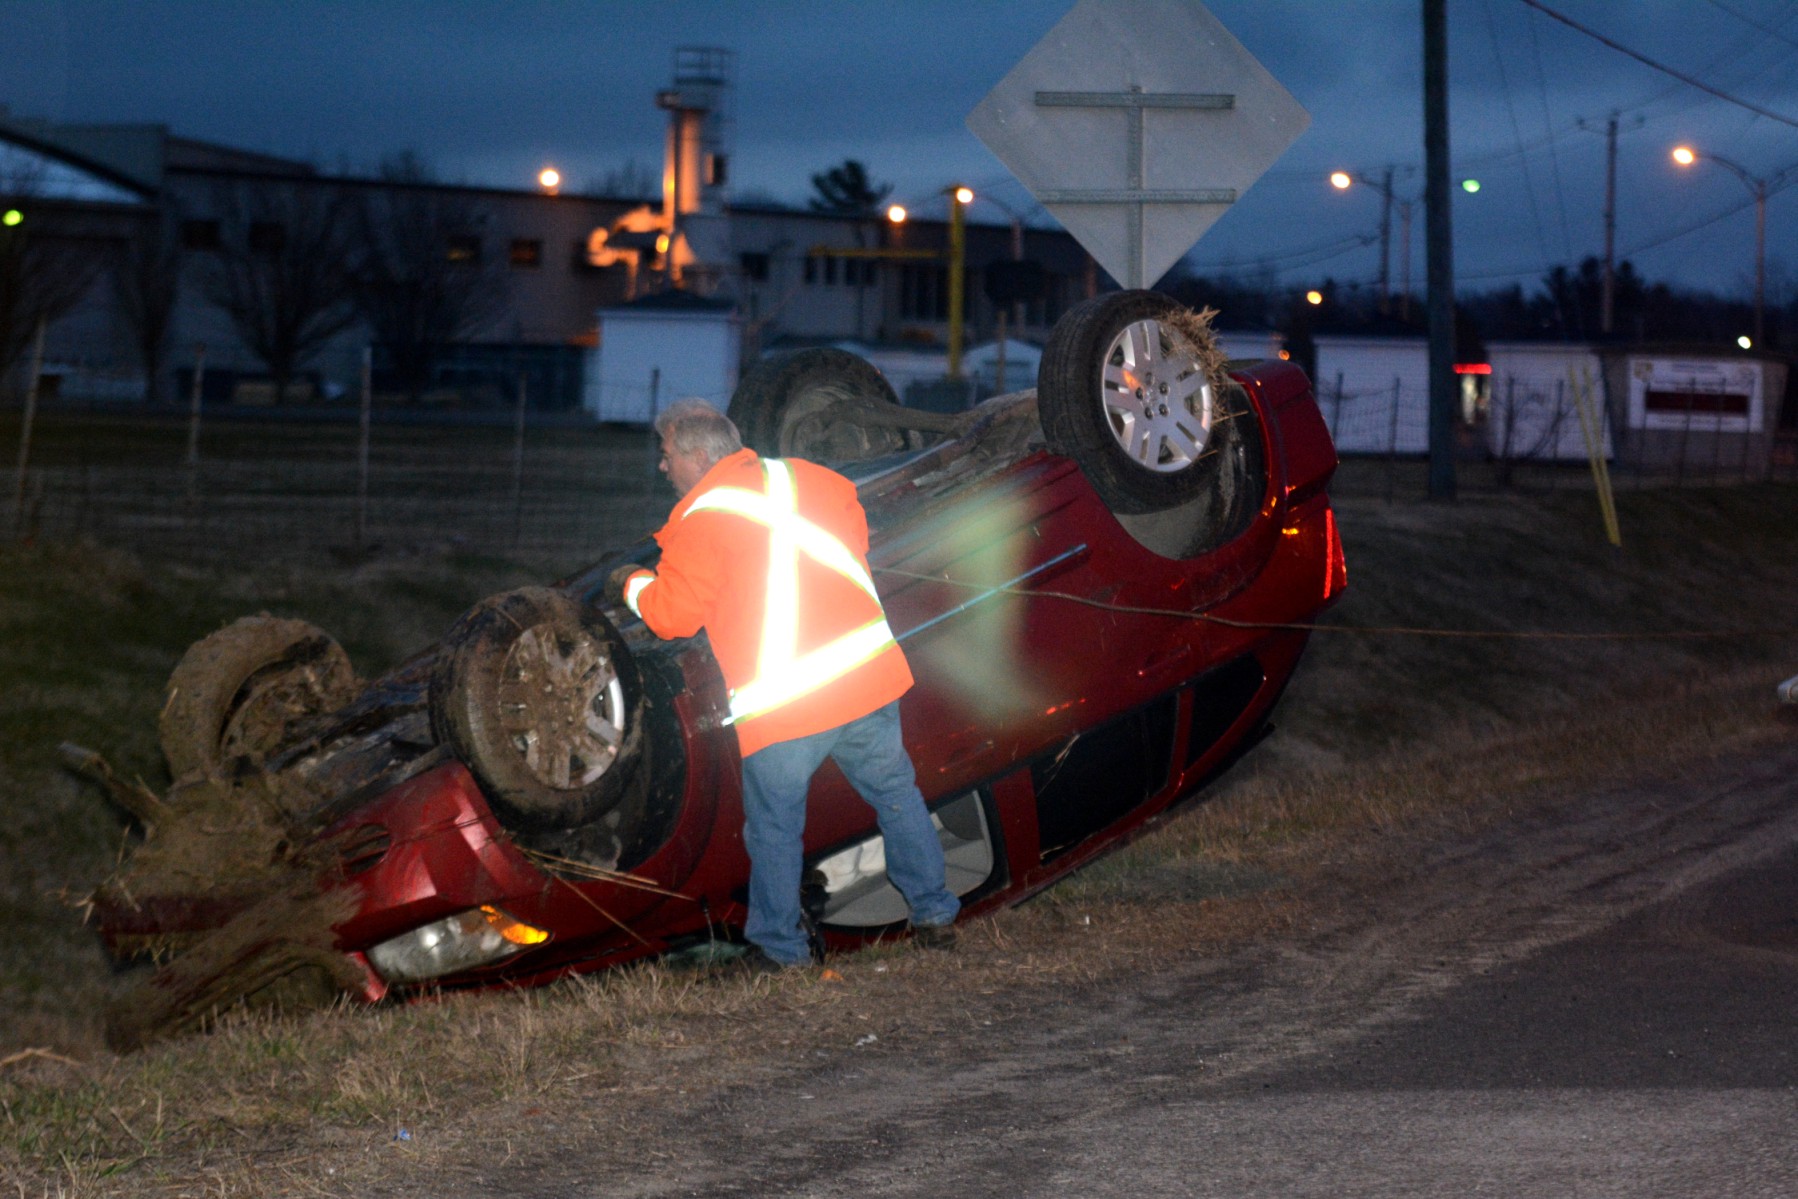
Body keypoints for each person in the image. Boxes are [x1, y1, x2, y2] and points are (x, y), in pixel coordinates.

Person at [608, 398, 959, 969]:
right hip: (866, 679)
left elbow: (671, 617)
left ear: (698, 456)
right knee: (896, 796)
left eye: (667, 453)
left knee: (774, 829)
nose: (662, 466)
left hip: (789, 705)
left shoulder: (700, 523)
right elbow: (853, 543)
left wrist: (629, 583)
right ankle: (936, 914)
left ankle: (781, 950)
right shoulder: (814, 479)